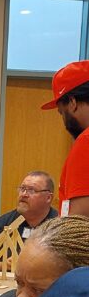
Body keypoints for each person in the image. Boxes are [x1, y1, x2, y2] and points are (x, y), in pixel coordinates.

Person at [42, 59, 89, 217]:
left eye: (62, 112)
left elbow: (79, 221)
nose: (64, 121)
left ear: (72, 102)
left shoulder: (86, 141)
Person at [0, 170, 56, 255]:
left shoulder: (60, 226)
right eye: (22, 189)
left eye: (31, 190)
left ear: (48, 197)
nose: (24, 194)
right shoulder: (4, 223)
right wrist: (5, 263)